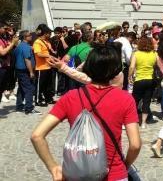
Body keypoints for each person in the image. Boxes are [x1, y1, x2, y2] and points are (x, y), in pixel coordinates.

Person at [31, 44, 141, 181]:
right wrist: (126, 165)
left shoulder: (70, 97)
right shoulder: (125, 99)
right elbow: (135, 145)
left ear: (87, 67)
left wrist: (53, 168)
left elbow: (37, 136)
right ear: (115, 71)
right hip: (114, 173)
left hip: (78, 173)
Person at [128, 37, 158, 128]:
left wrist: (129, 76)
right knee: (146, 101)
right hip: (150, 80)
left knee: (134, 101)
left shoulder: (136, 54)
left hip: (139, 79)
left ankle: (134, 120)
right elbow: (157, 65)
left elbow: (132, 67)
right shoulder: (154, 54)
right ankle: (144, 123)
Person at [13, 30, 40, 114]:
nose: (31, 36)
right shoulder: (26, 47)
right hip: (25, 71)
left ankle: (19, 106)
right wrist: (31, 72)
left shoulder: (19, 46)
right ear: (25, 37)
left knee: (21, 88)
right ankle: (29, 108)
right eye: (29, 35)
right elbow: (27, 60)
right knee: (30, 88)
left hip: (19, 70)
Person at [33, 24, 55, 107]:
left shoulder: (47, 42)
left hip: (49, 66)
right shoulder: (37, 42)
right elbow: (38, 54)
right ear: (45, 33)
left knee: (48, 85)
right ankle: (38, 100)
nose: (50, 35)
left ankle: (48, 98)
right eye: (49, 33)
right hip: (41, 67)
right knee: (40, 85)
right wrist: (48, 55)